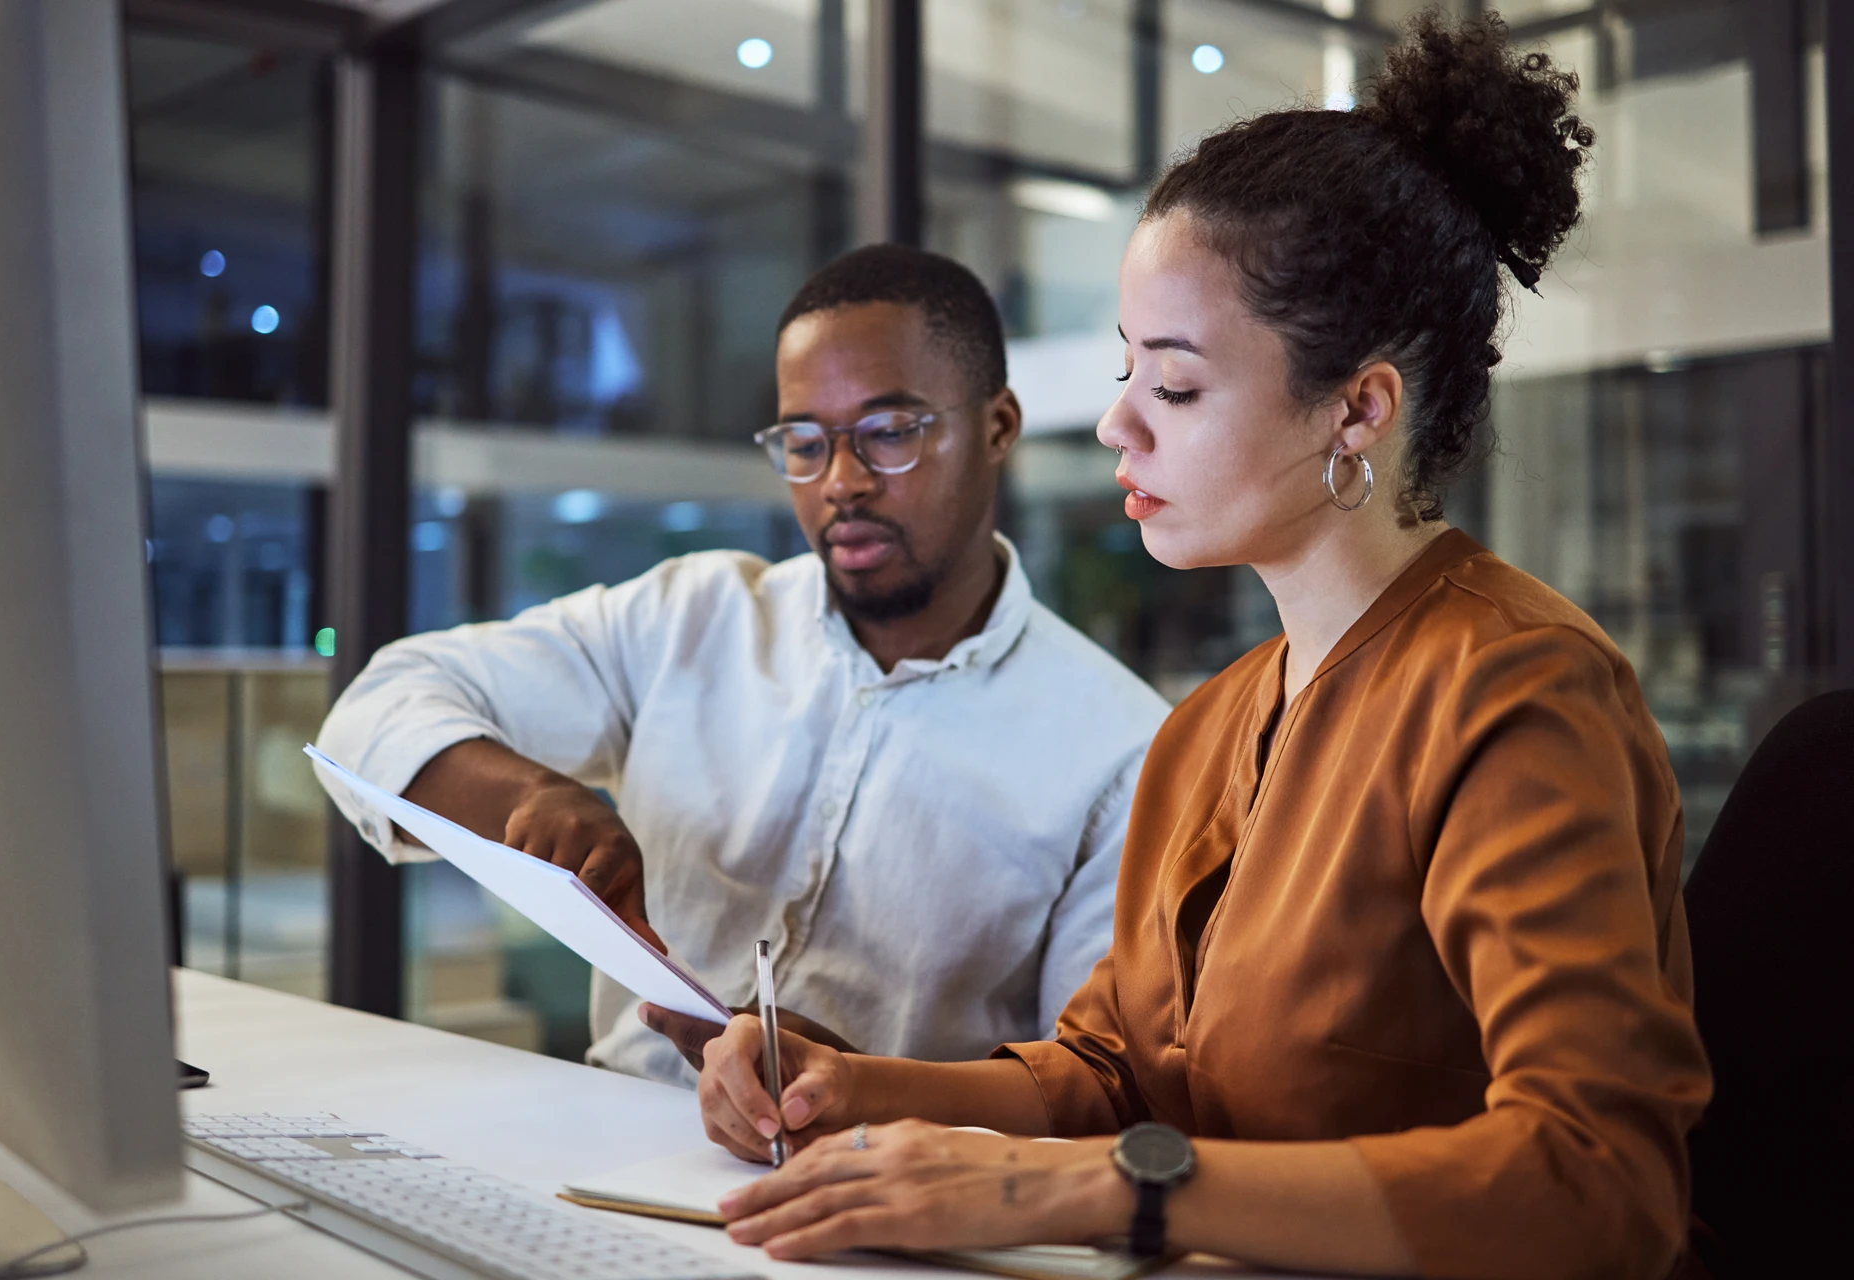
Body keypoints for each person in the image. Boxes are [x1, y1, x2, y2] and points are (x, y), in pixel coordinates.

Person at [691, 15, 1712, 1280]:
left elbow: (1597, 1187)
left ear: (1360, 406)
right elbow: (1117, 1072)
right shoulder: (1212, 724)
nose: (1118, 421)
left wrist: (1085, 1191)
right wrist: (854, 1085)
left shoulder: (1516, 689)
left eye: (1174, 384)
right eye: (1129, 372)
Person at [314, 244, 1170, 1087]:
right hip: (610, 1135)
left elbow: (1091, 1086)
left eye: (889, 432)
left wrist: (861, 1084)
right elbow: (375, 709)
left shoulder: (1123, 751)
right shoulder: (688, 618)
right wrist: (527, 797)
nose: (842, 481)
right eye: (804, 441)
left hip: (889, 1187)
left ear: (997, 427)